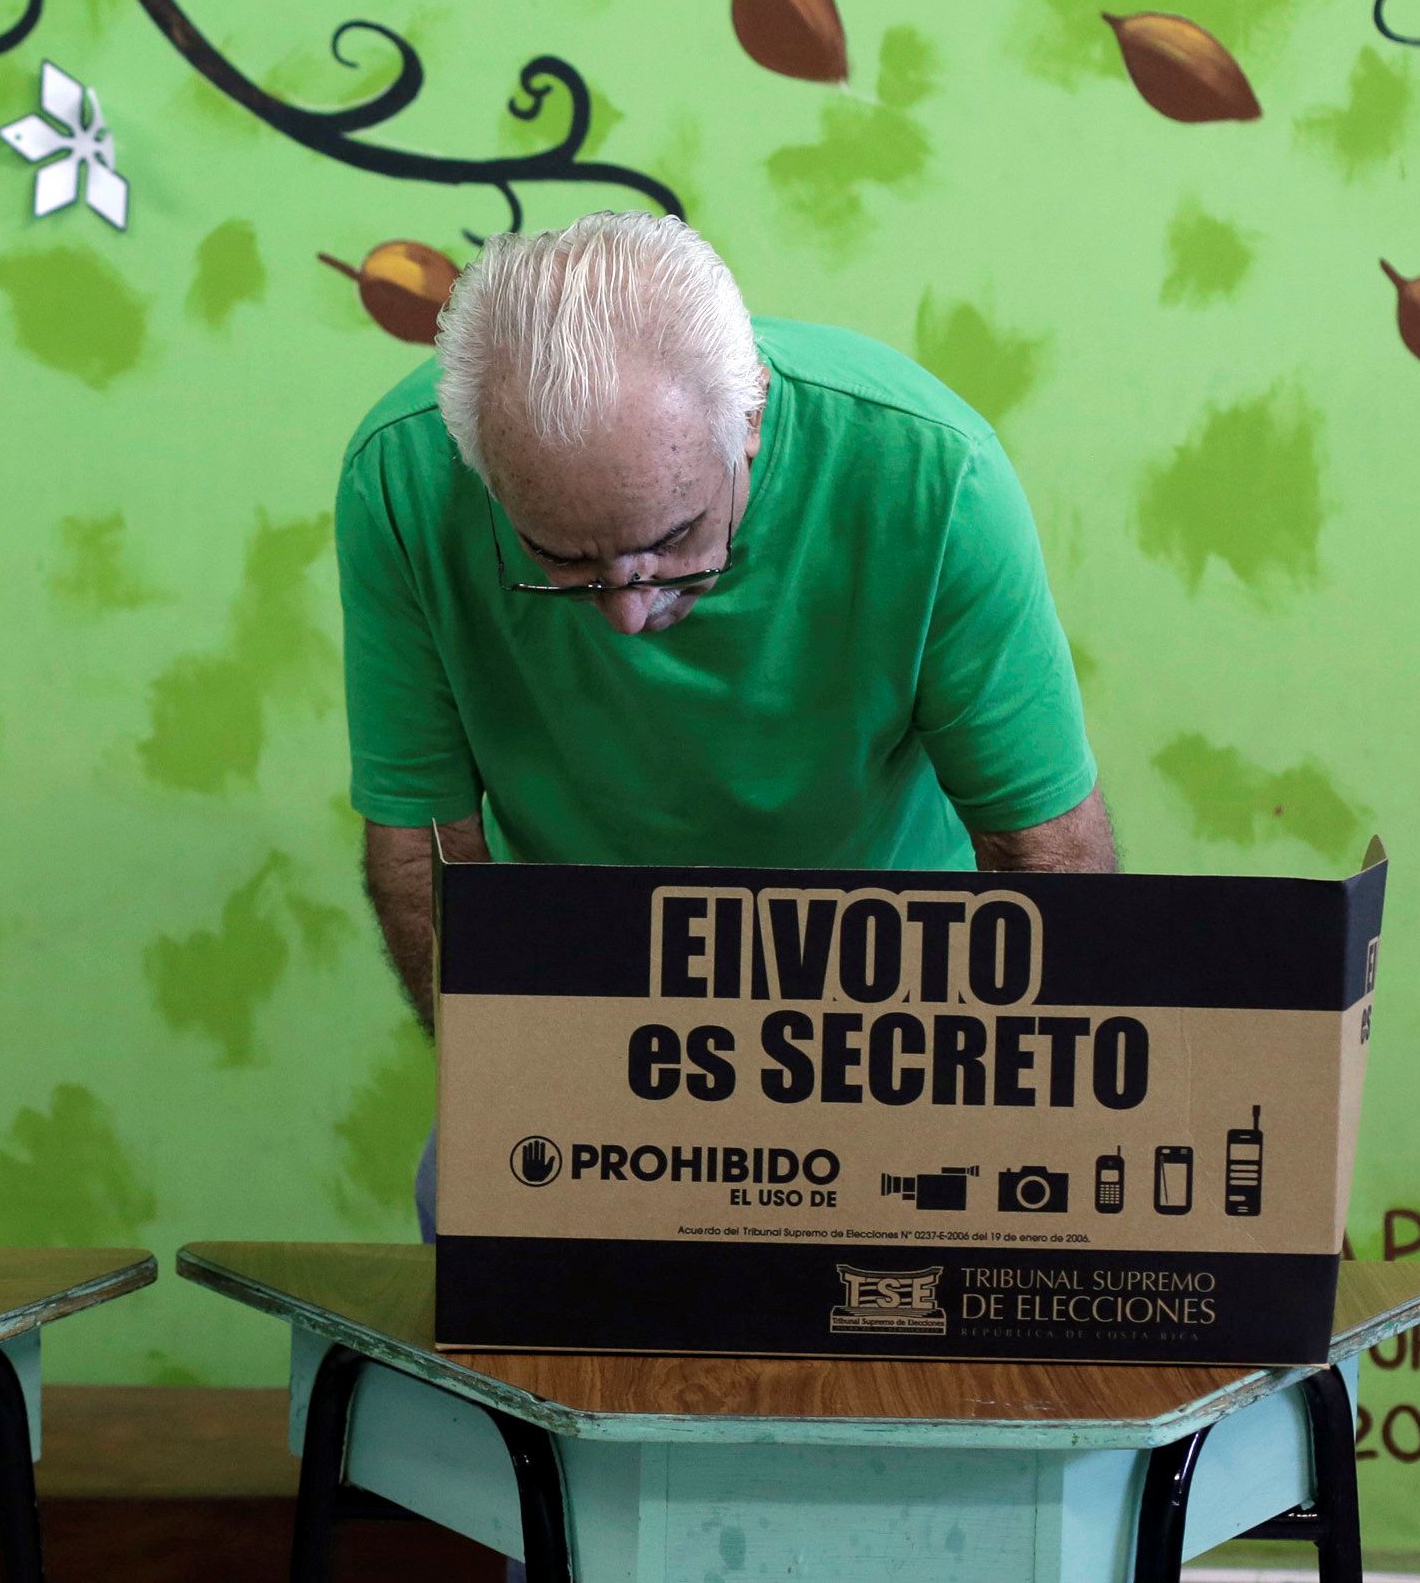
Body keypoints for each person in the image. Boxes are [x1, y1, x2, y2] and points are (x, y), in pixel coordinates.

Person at [335, 211, 1112, 1234]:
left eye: (674, 542)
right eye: (560, 559)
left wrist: (1042, 1143)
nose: (627, 608)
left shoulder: (930, 474)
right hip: (594, 998)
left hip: (902, 1004)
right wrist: (506, 1091)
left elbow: (1043, 849)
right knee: (474, 1209)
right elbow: (424, 844)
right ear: (479, 467)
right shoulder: (400, 477)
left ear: (746, 420)